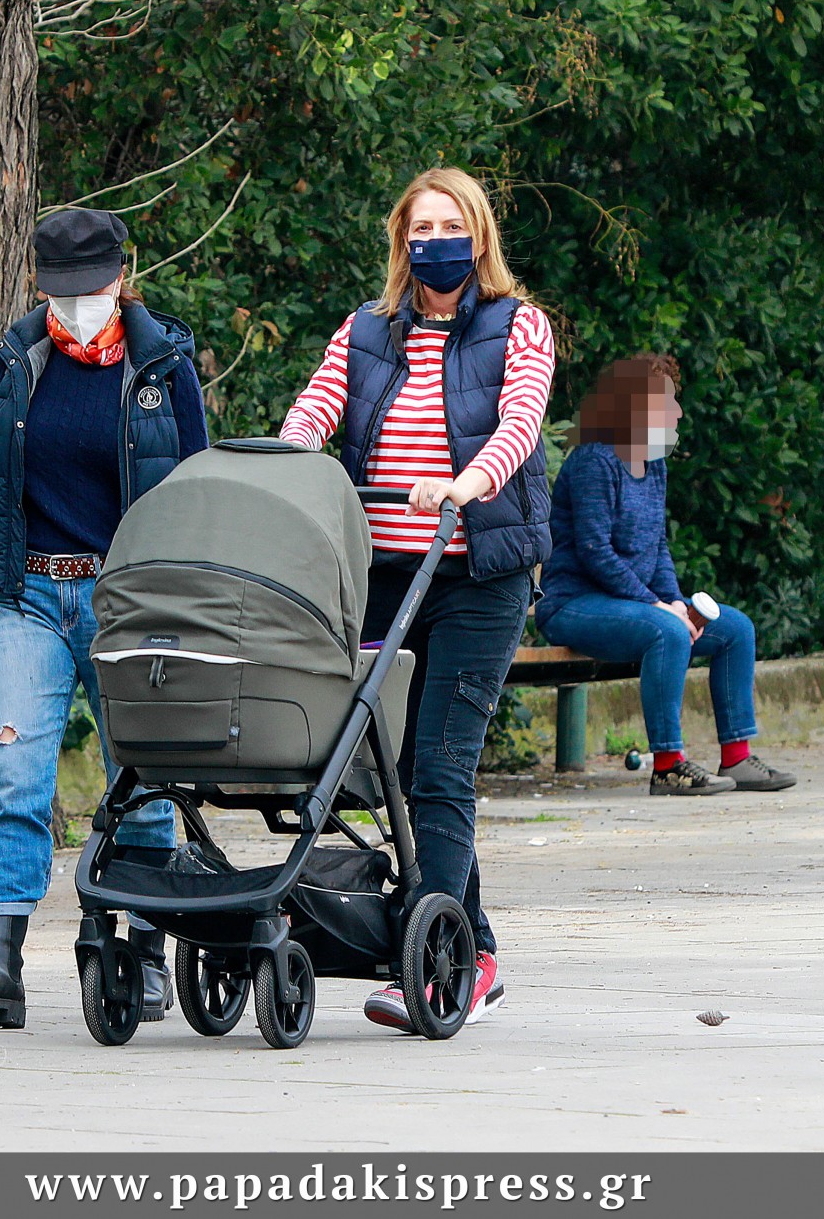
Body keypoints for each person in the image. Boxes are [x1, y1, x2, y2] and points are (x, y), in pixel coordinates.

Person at [280, 166, 557, 1030]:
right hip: (386, 576)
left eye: (451, 224)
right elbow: (315, 409)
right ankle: (469, 939)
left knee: (439, 762)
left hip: (478, 574)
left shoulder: (520, 325)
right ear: (402, 241)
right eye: (418, 227)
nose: (433, 240)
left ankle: (435, 963)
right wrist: (284, 465)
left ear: (478, 237)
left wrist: (466, 481)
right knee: (398, 771)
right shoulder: (365, 331)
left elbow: (520, 420)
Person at [0, 208, 210, 1030]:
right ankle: (2, 962)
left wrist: (191, 611)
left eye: (91, 289)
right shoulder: (18, 359)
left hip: (127, 597)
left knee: (147, 776)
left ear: (121, 278)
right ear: (39, 286)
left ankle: (150, 953)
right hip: (26, 593)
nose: (77, 304)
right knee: (16, 773)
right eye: (62, 291)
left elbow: (199, 492)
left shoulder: (164, 361)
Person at [535, 354, 798, 796]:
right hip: (572, 605)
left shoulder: (654, 464)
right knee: (667, 633)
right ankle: (668, 766)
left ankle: (737, 758)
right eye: (665, 403)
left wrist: (676, 602)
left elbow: (657, 547)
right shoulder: (593, 462)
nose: (676, 413)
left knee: (734, 629)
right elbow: (595, 551)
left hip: (634, 605)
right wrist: (658, 608)